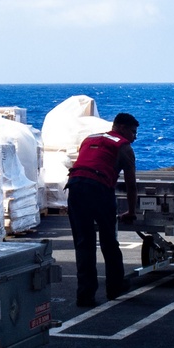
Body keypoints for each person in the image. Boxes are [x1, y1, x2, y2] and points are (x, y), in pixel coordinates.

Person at [66, 113, 139, 307]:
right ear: (122, 128)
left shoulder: (89, 139)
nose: (135, 137)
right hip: (99, 188)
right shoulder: (123, 146)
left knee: (84, 243)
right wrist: (131, 212)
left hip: (74, 185)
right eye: (133, 132)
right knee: (108, 241)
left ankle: (85, 295)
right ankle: (115, 287)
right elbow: (131, 185)